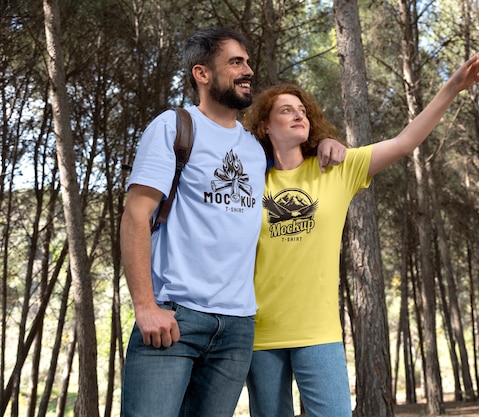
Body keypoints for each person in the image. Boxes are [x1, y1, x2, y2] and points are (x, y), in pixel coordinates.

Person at [242, 41, 479, 417]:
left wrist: (452, 87)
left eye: (303, 111)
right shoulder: (246, 182)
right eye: (285, 110)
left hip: (319, 333)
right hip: (260, 334)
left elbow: (405, 141)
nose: (298, 115)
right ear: (264, 125)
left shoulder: (337, 169)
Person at [119, 27, 345, 417]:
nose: (248, 71)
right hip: (175, 318)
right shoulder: (174, 127)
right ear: (202, 74)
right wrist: (145, 306)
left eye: (248, 62)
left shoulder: (255, 150)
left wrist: (327, 141)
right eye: (235, 62)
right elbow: (136, 214)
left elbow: (296, 152)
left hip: (238, 330)